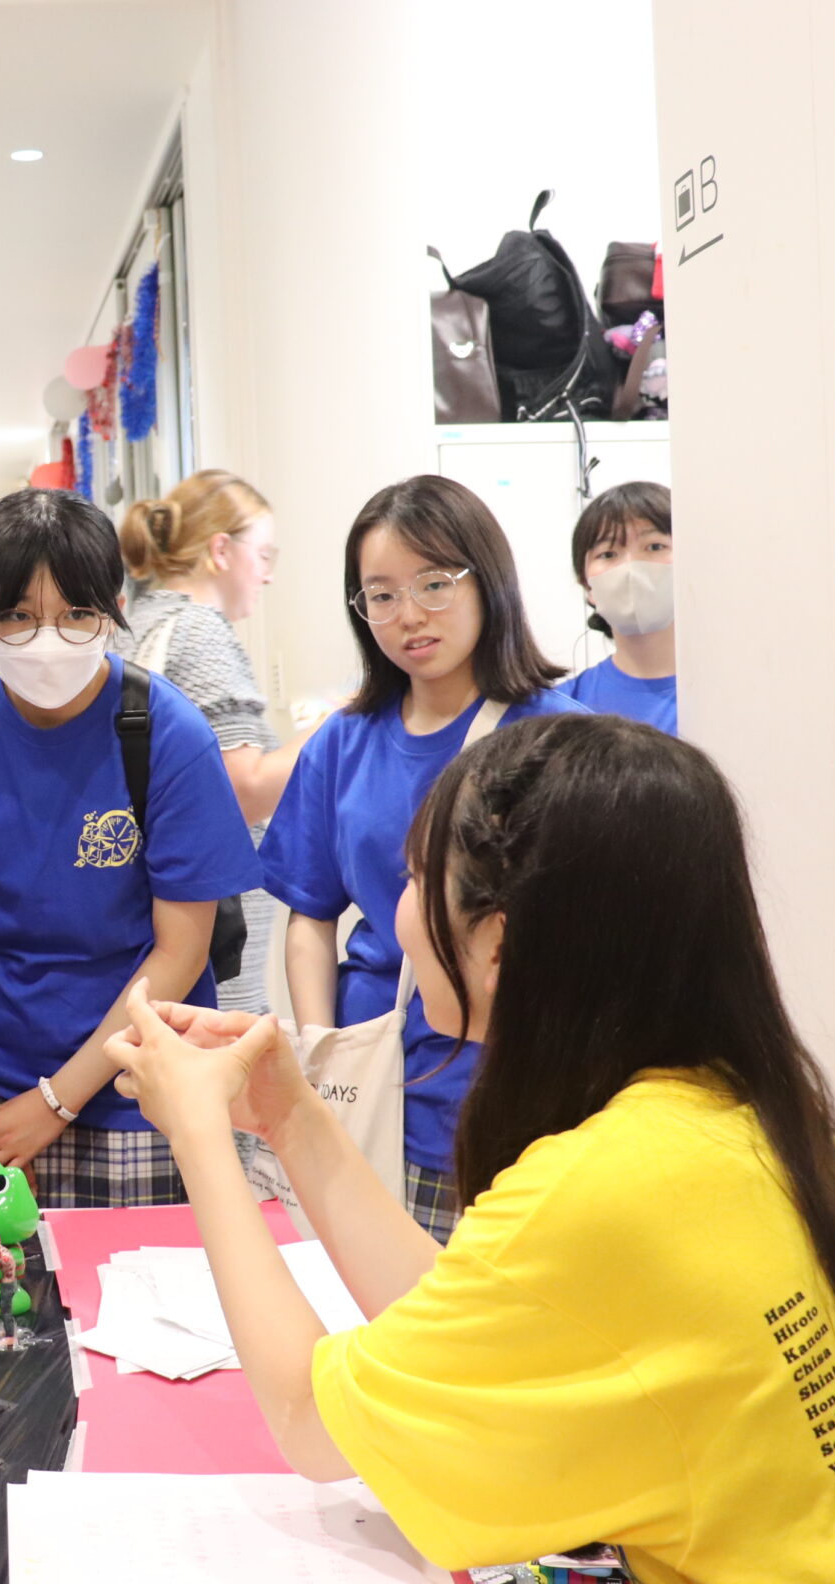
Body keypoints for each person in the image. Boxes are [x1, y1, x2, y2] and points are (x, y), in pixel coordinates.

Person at [105, 715, 835, 1584]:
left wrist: (198, 1134)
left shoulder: (605, 1183)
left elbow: (310, 1424)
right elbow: (470, 1316)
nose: (399, 916)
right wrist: (290, 1117)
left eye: (415, 880)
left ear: (497, 940)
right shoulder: (718, 1114)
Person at [0, 489, 260, 1211]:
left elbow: (180, 951)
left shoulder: (166, 734)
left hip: (133, 1085)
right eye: (17, 616)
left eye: (78, 614)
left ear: (114, 607)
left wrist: (52, 1105)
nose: (47, 639)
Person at [258, 475, 586, 1242]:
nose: (409, 615)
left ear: (488, 577)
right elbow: (308, 913)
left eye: (434, 584)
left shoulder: (558, 739)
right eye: (381, 595)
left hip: (511, 1084)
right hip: (370, 1080)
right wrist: (319, 1052)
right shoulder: (343, 742)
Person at [120, 470, 321, 1015]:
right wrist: (341, 723)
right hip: (208, 934)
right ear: (221, 550)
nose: (268, 575)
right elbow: (243, 789)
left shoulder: (137, 625)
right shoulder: (198, 632)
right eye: (264, 554)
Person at [563, 482, 678, 736]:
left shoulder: (734, 696)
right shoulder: (563, 708)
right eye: (608, 554)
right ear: (586, 585)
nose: (631, 568)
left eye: (654, 546)